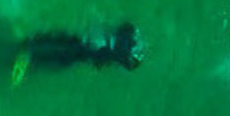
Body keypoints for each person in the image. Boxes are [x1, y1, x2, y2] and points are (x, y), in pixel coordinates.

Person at [13, 21, 143, 83]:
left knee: (62, 39)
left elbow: (121, 26)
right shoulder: (124, 57)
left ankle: (31, 41)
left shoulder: (129, 33)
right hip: (87, 51)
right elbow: (102, 61)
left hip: (85, 40)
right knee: (60, 59)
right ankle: (33, 58)